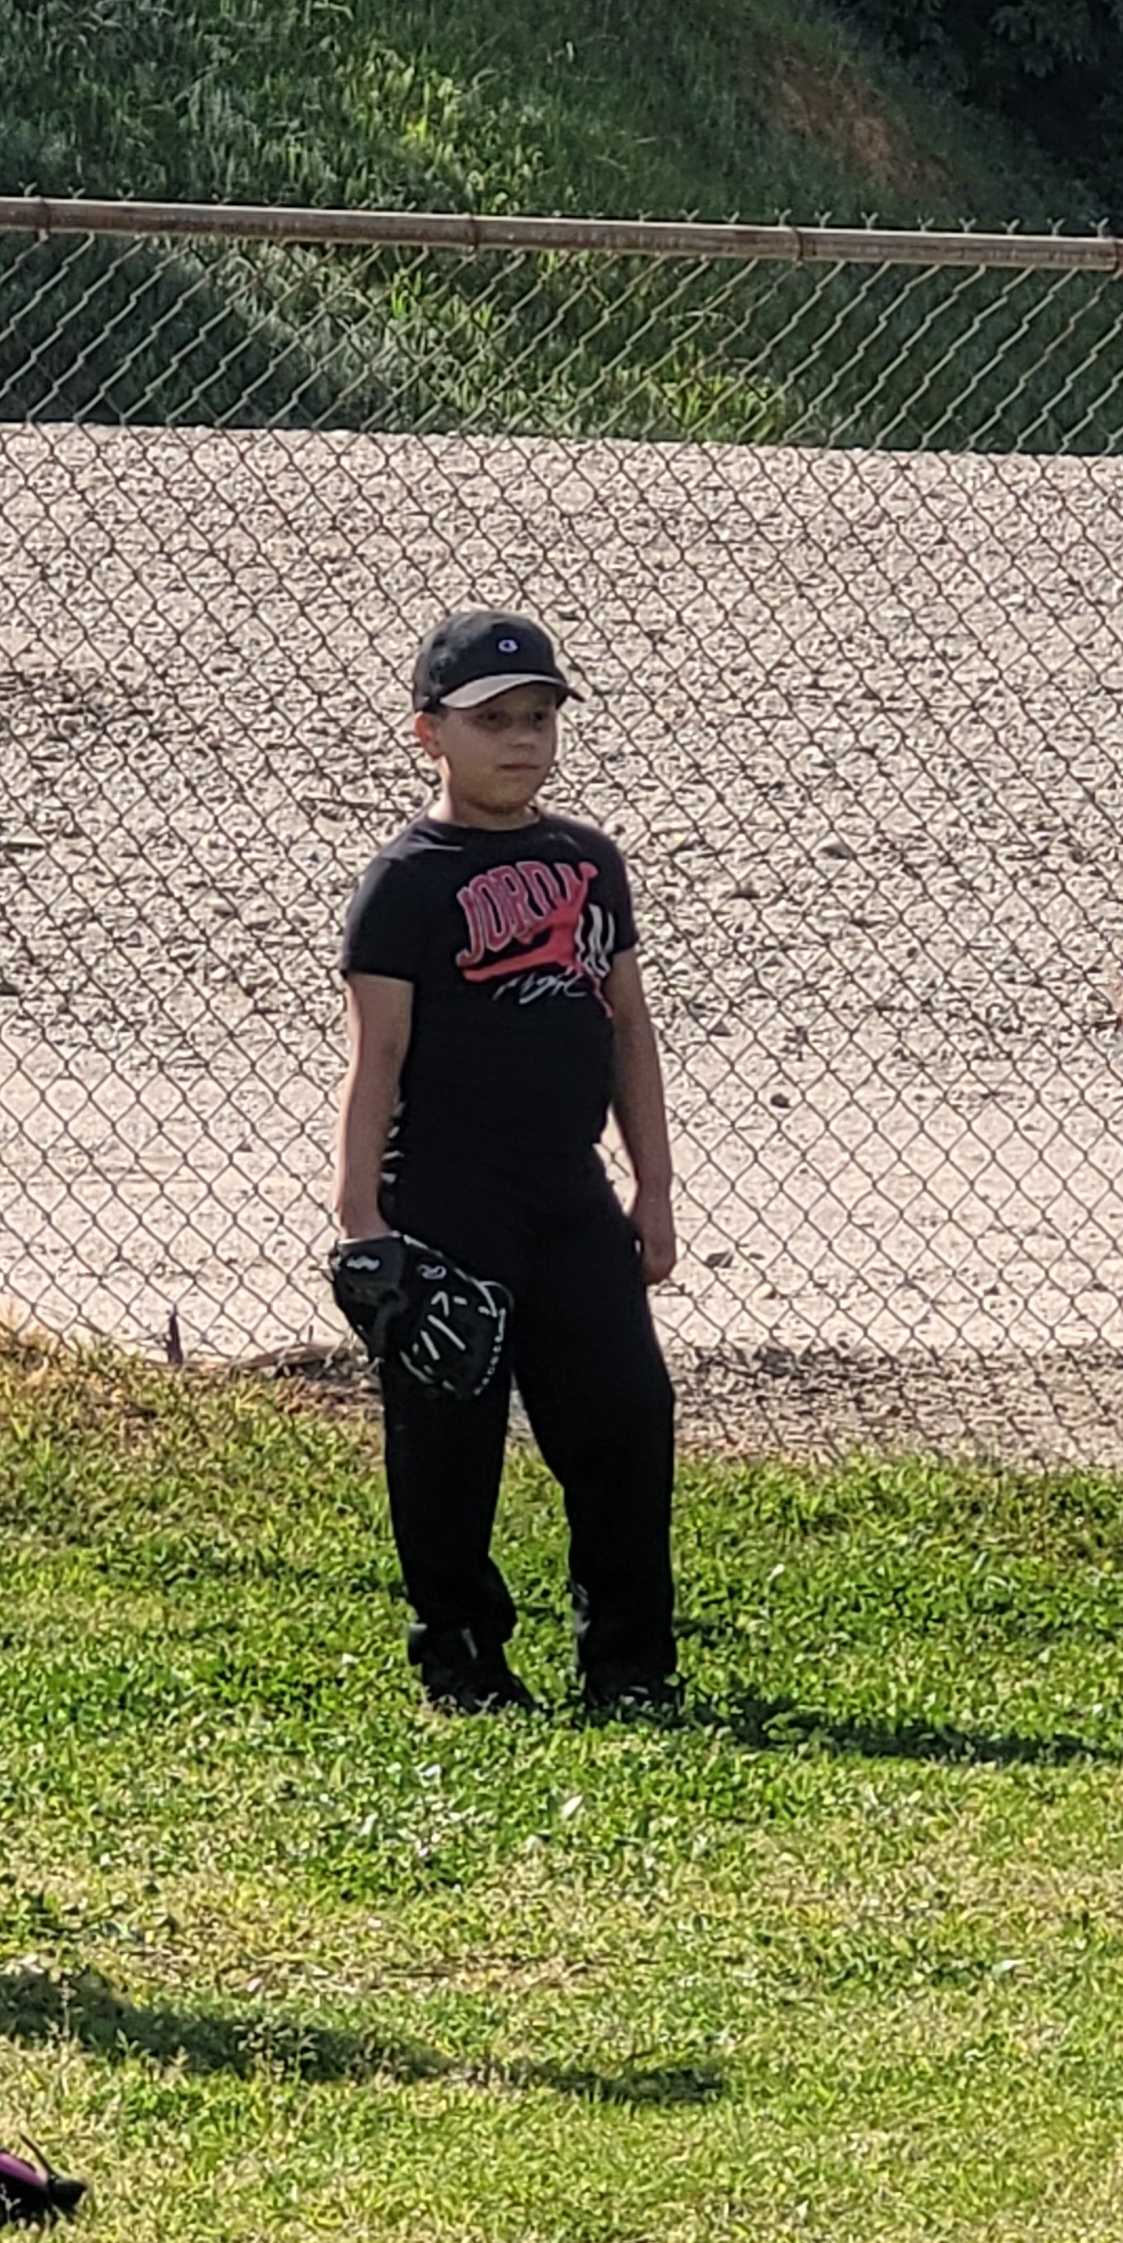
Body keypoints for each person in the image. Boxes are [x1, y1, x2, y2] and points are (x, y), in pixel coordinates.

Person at [336, 608, 679, 1715]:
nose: (522, 740)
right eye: (492, 721)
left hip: (568, 1189)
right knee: (448, 1434)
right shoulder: (406, 882)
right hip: (447, 1191)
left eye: (538, 716)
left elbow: (627, 1027)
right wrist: (361, 1221)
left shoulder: (587, 862)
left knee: (625, 1419)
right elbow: (376, 1056)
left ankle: (629, 1664)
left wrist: (653, 1187)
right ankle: (461, 1659)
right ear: (429, 733)